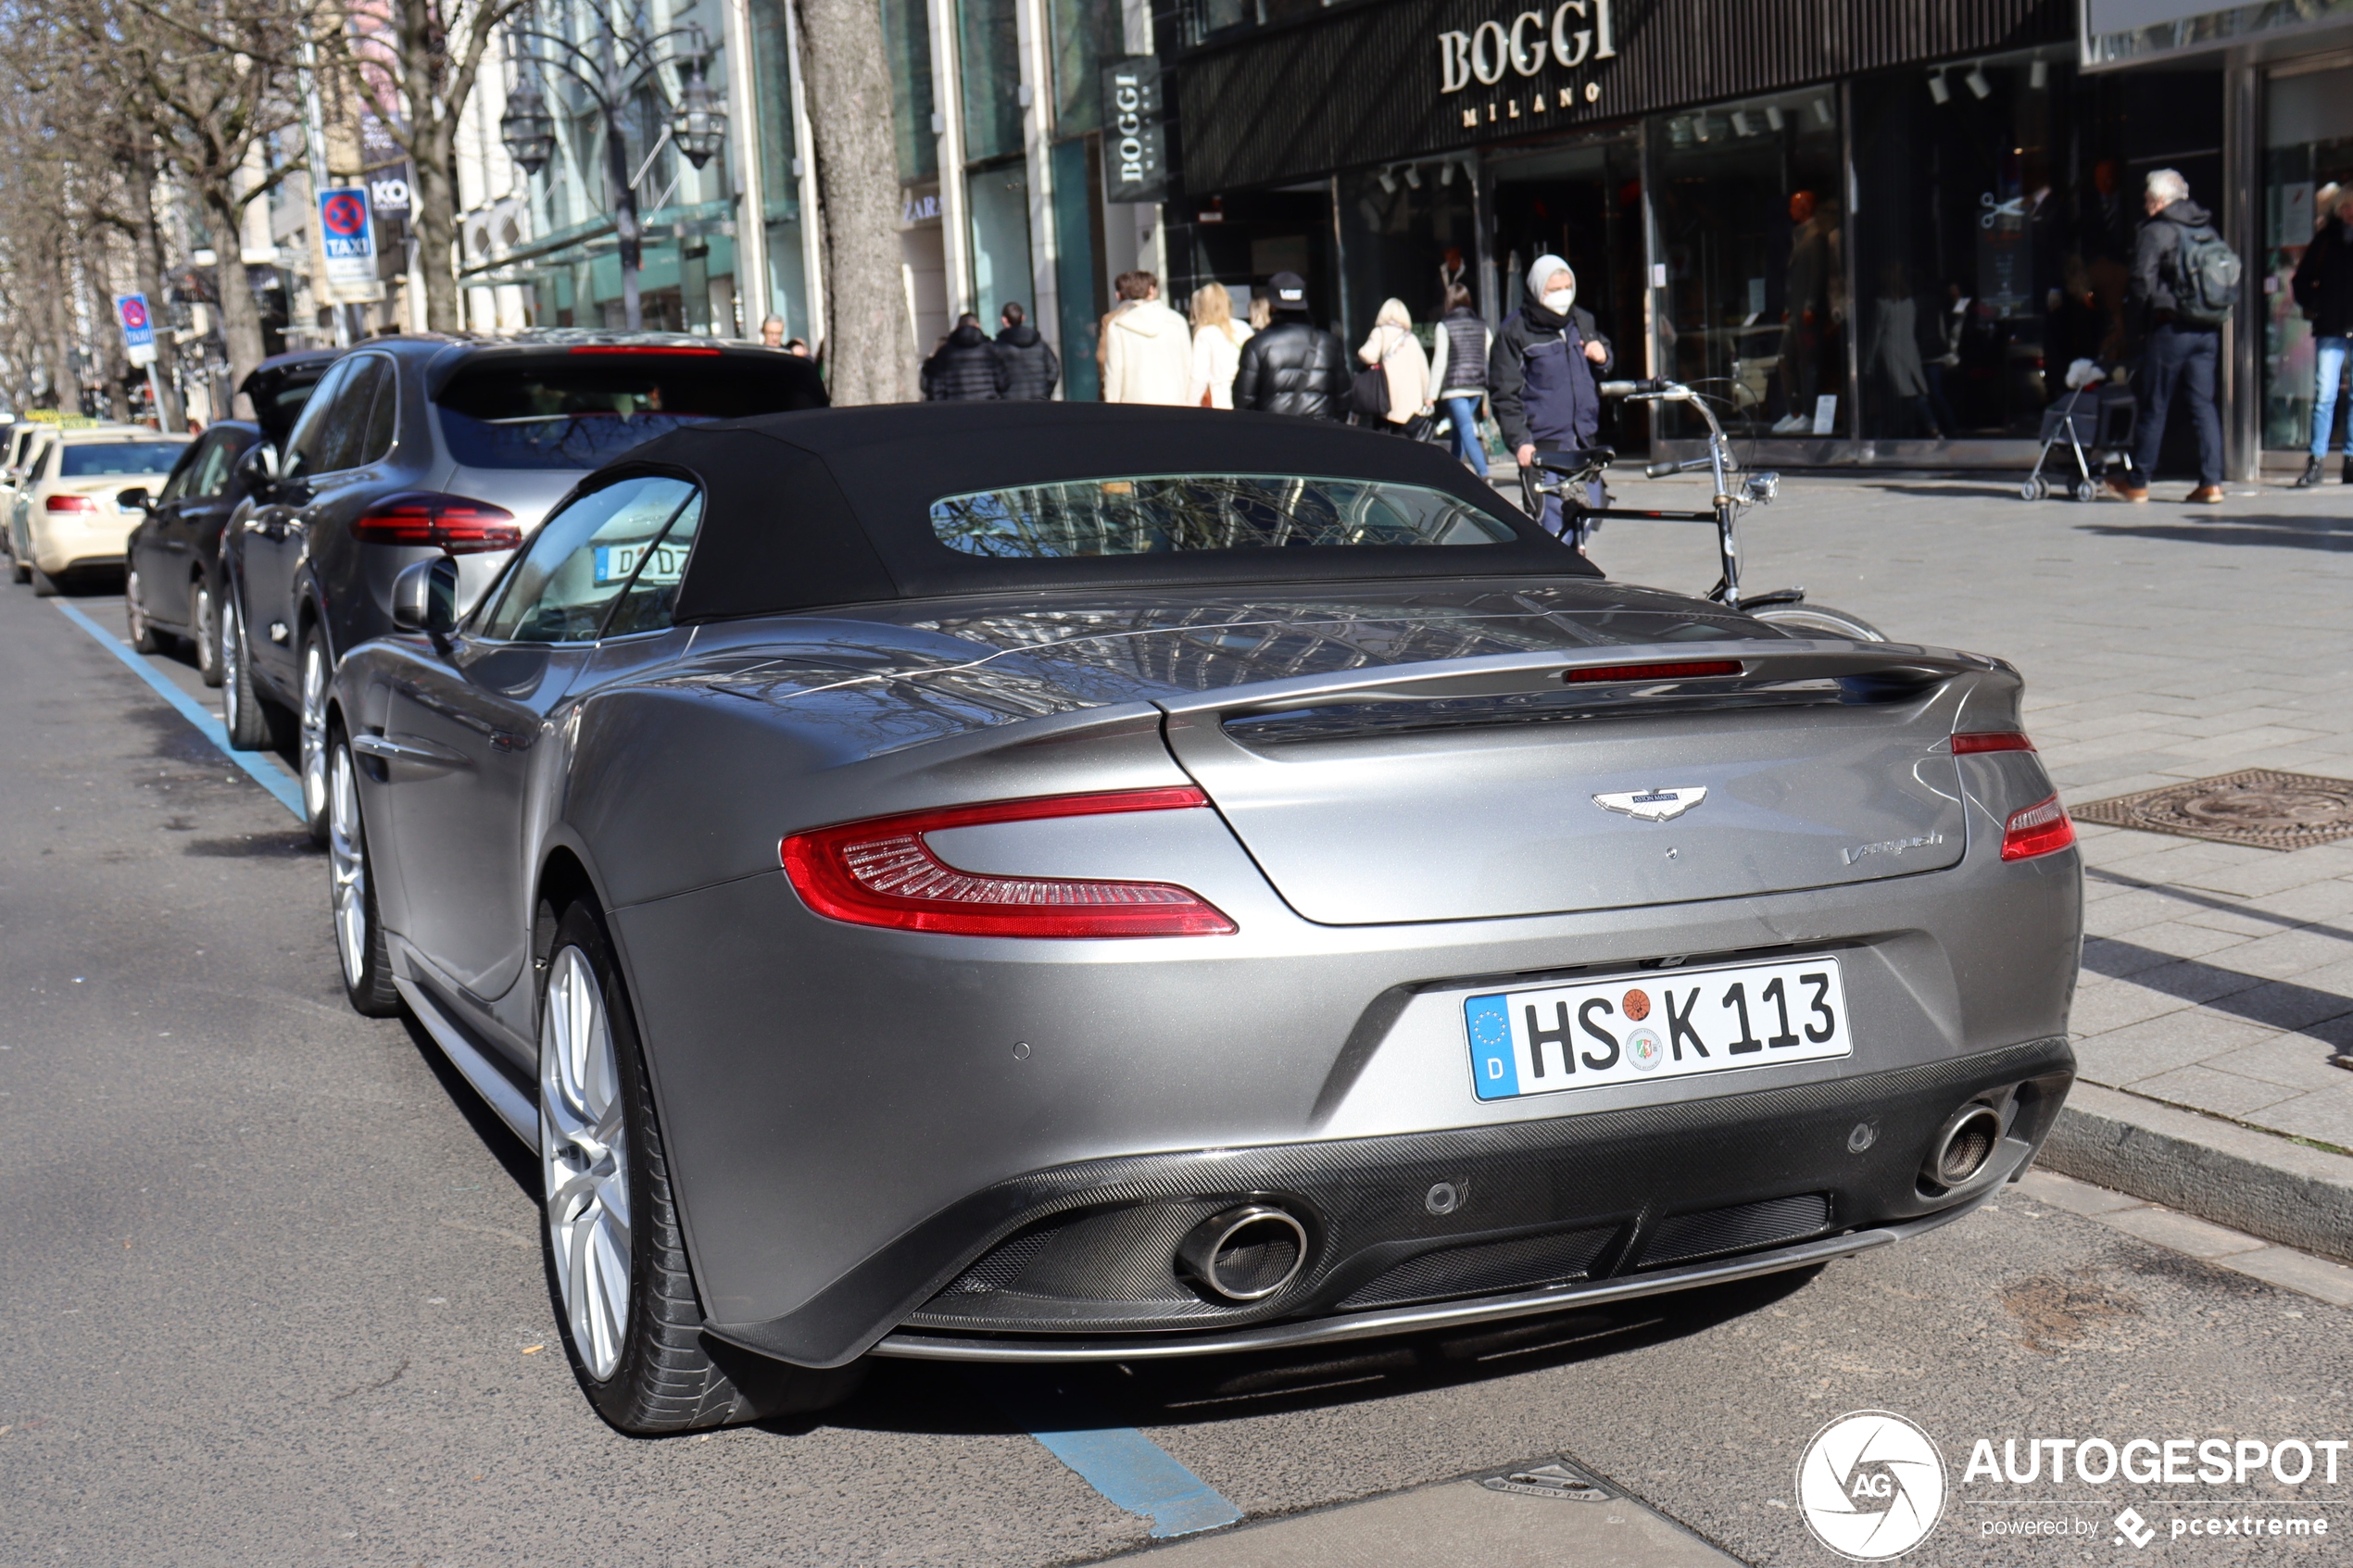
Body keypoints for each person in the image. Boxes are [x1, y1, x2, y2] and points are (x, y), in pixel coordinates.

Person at [2113, 169, 2224, 504]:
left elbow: (2140, 282)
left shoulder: (2157, 230)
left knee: (2154, 403)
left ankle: (2139, 482)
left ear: (2160, 201)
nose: (2145, 205)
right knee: (2203, 404)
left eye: (2148, 199)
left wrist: (2135, 323)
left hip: (2171, 327)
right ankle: (2212, 482)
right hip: (2207, 328)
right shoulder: (2205, 228)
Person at [1490, 254, 1612, 533]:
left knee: (1585, 527)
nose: (1562, 295)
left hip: (1584, 445)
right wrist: (1520, 441)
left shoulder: (1581, 320)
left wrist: (1603, 357)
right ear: (1536, 288)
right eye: (1553, 289)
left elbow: (1603, 363)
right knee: (1556, 534)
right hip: (1546, 452)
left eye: (1566, 287)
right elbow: (1503, 392)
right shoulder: (1515, 332)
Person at [2291, 184, 2353, 487]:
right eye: (2347, 207)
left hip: (2341, 325)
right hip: (2331, 327)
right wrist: (2318, 306)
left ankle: (2351, 459)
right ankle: (2317, 459)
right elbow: (2301, 280)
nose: (2350, 213)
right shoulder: (2326, 240)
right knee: (2325, 394)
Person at [1231, 271, 1351, 418]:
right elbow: (1344, 399)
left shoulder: (1257, 345)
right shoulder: (1329, 344)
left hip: (1274, 433)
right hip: (1321, 433)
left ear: (1272, 306)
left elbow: (1243, 401)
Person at [1100, 272, 1192, 405]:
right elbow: (1187, 367)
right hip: (1175, 403)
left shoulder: (1118, 325)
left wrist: (1112, 406)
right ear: (1151, 290)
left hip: (1135, 405)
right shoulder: (1177, 321)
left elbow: (1115, 372)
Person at [1428, 282, 1491, 474]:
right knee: (1459, 430)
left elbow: (1440, 361)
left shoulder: (1444, 325)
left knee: (1465, 429)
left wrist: (1431, 394)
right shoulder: (1482, 325)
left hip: (1455, 388)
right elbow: (1490, 353)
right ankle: (1452, 472)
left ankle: (1484, 474)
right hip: (1477, 387)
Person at [1356, 297, 1430, 434]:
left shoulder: (1380, 333)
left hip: (1388, 397)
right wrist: (1428, 397)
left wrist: (1360, 352)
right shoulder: (1411, 338)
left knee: (1384, 439)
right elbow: (1424, 371)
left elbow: (1368, 355)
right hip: (1411, 401)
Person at [1188, 282, 1253, 408]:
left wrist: (1190, 405)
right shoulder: (1244, 328)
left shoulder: (1204, 333)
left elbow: (1199, 377)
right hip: (1245, 397)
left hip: (1221, 398)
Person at [922, 311, 1010, 401]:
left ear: (958, 327)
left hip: (956, 409)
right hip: (986, 407)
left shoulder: (944, 353)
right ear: (978, 326)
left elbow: (935, 388)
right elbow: (1003, 384)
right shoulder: (991, 351)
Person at [994, 301, 1060, 401]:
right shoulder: (1040, 344)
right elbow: (1054, 368)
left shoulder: (998, 346)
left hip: (1010, 403)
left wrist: (1001, 394)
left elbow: (994, 375)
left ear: (1004, 320)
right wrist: (1045, 392)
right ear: (1023, 318)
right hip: (1038, 400)